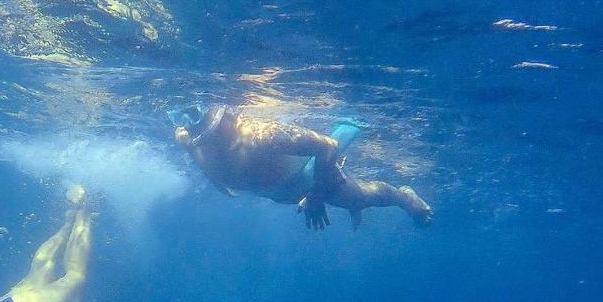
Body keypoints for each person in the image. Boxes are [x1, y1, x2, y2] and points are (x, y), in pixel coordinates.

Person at [173, 105, 432, 230]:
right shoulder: (186, 136)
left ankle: (405, 198)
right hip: (277, 191)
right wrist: (218, 184)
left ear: (226, 120)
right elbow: (200, 156)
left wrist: (316, 197)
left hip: (306, 176)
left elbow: (328, 146)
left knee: (360, 199)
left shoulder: (259, 136)